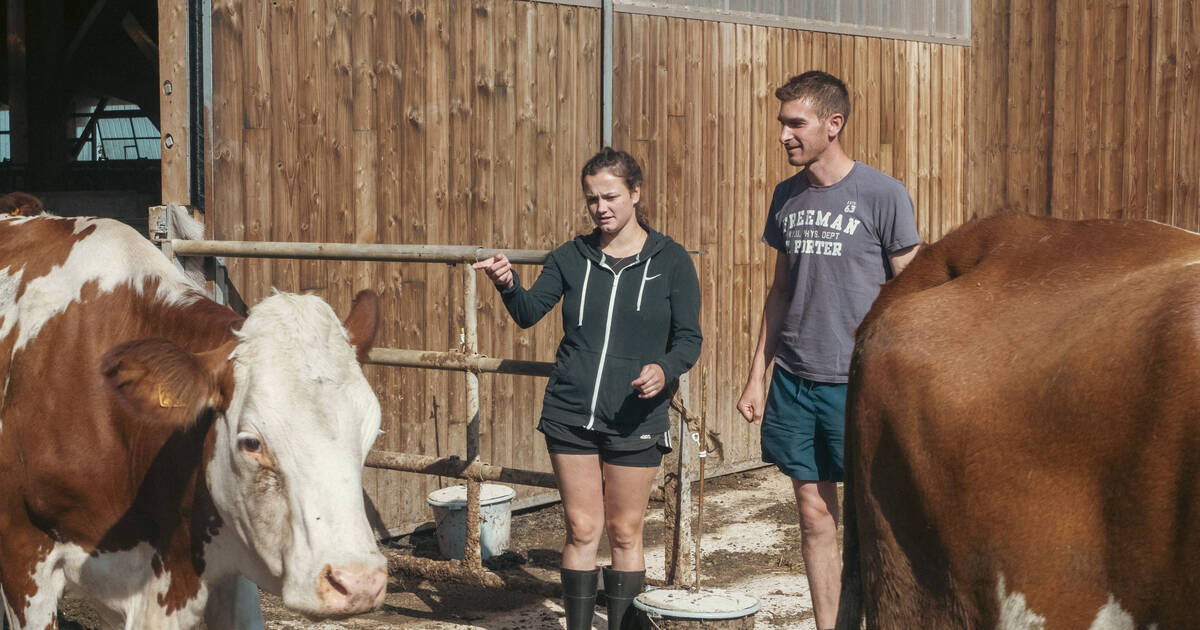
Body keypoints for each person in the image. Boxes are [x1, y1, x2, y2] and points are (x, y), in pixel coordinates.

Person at [473, 147, 702, 630]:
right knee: (581, 528)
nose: (601, 207)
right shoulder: (570, 257)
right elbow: (529, 311)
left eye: (611, 196)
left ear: (635, 194)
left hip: (635, 416)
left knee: (624, 531)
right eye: (592, 198)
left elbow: (689, 339)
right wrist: (508, 282)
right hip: (570, 411)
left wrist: (665, 369)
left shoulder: (671, 259)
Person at [736, 71, 920, 630]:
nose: (784, 135)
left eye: (797, 123)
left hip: (859, 385)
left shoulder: (883, 194)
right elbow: (781, 291)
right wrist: (756, 376)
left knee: (877, 523)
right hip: (794, 377)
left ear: (833, 124)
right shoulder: (785, 198)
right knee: (814, 514)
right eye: (782, 123)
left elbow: (913, 295)